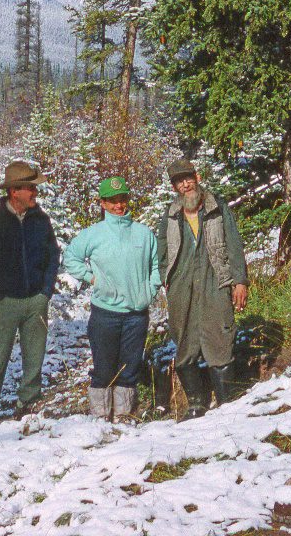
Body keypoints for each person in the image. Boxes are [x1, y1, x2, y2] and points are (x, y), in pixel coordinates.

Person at [156, 158, 249, 420]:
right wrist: (165, 276)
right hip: (181, 284)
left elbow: (234, 243)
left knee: (219, 332)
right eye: (179, 181)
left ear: (196, 177)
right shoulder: (171, 214)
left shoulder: (217, 208)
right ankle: (196, 403)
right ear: (174, 187)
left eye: (188, 178)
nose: (185, 185)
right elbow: (162, 247)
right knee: (184, 337)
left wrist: (239, 280)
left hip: (214, 279)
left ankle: (226, 401)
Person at [0, 161, 60, 429]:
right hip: (5, 302)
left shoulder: (41, 221)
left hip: (36, 301)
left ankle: (27, 404)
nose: (35, 193)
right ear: (14, 192)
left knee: (34, 357)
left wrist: (45, 292)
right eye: (30, 188)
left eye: (35, 188)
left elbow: (53, 256)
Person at [63, 176, 160, 422]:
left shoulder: (143, 234)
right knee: (104, 368)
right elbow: (71, 257)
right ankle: (100, 417)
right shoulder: (93, 234)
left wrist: (150, 290)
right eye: (112, 201)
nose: (119, 206)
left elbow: (157, 265)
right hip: (105, 313)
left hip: (136, 314)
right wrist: (92, 278)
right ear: (103, 204)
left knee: (129, 368)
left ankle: (124, 416)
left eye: (122, 199)